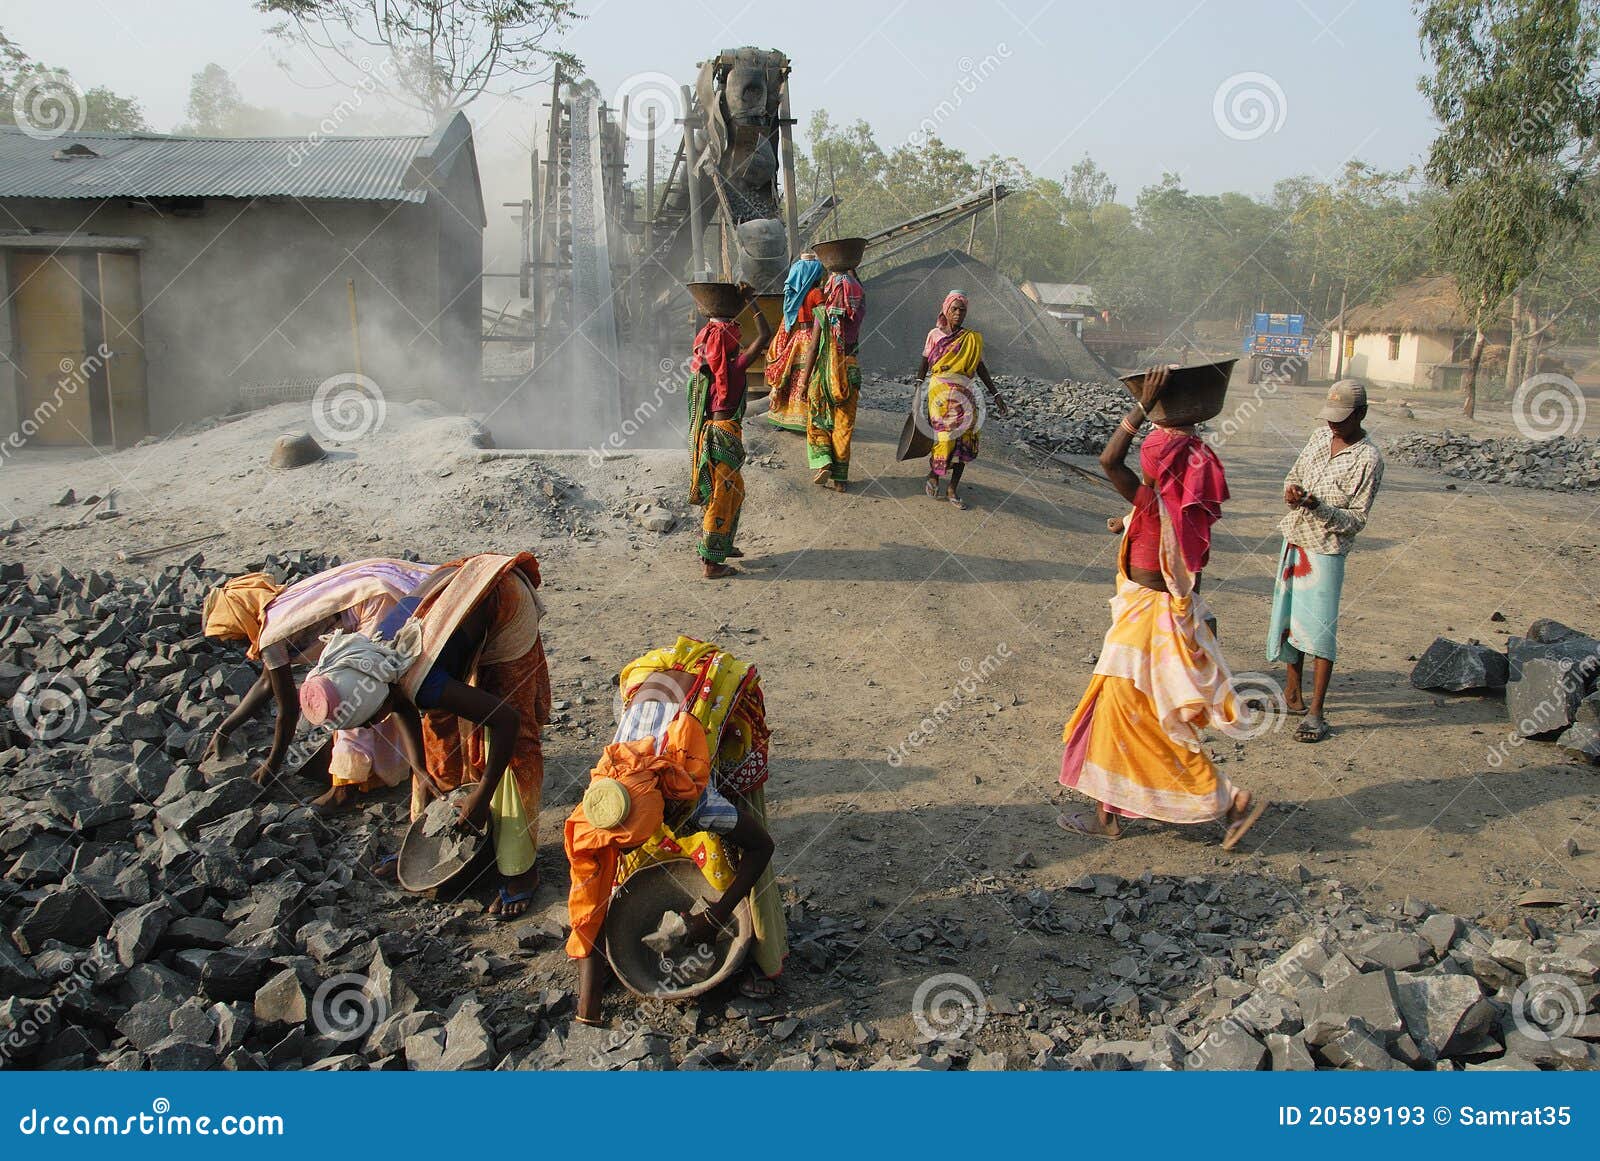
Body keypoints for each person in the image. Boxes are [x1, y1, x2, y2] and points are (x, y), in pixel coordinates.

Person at [1057, 366, 1266, 849]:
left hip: (1149, 620)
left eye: (1156, 462)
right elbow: (1139, 493)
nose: (1150, 467)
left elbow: (1110, 460)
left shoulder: (1161, 500)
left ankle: (1229, 801)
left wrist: (1140, 410)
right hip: (1150, 614)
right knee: (1134, 715)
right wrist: (1128, 521)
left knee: (1123, 714)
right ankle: (1117, 811)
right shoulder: (1166, 503)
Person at [298, 552, 551, 917]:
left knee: (512, 744)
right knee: (438, 739)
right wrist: (418, 766)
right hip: (451, 599)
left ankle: (521, 870)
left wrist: (483, 795)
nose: (371, 728)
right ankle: (433, 834)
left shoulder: (419, 679)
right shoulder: (372, 659)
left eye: (369, 720)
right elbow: (400, 703)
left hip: (502, 597)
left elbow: (507, 721)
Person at [567, 636, 783, 1024]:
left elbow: (762, 848)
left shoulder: (692, 796)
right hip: (654, 686)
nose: (630, 848)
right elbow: (588, 899)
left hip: (716, 693)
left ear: (668, 807)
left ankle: (760, 954)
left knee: (728, 837)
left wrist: (717, 915)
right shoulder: (598, 809)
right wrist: (589, 1010)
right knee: (615, 870)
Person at [201, 558, 438, 809]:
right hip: (374, 589)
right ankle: (380, 767)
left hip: (376, 604)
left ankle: (345, 789)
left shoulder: (271, 636)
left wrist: (272, 765)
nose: (236, 644)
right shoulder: (275, 608)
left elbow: (288, 710)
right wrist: (225, 728)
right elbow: (265, 683)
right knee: (369, 686)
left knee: (353, 696)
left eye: (233, 636)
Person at [1268, 379, 1384, 743]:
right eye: (1331, 417)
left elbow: (1357, 520)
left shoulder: (1369, 459)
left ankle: (1316, 711)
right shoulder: (1319, 437)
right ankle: (1292, 694)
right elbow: (1294, 475)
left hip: (1326, 549)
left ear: (1361, 414)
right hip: (1295, 539)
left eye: (1342, 418)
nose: (1334, 424)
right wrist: (1292, 493)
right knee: (1287, 620)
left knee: (1319, 631)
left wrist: (1320, 507)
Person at [689, 281, 774, 579]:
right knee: (724, 494)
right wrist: (751, 300)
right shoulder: (735, 367)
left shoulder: (702, 370)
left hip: (709, 433)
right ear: (729, 345)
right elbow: (765, 335)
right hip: (725, 430)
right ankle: (711, 563)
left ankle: (723, 543)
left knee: (732, 490)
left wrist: (713, 317)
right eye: (735, 339)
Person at [914, 291, 1008, 508]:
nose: (958, 313)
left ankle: (952, 488)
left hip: (965, 393)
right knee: (945, 437)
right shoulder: (935, 335)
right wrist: (918, 387)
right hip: (940, 392)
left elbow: (980, 367)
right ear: (946, 309)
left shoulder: (971, 339)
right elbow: (925, 362)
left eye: (962, 310)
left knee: (965, 441)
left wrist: (996, 395)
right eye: (954, 309)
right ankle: (934, 474)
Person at [803, 266, 866, 492]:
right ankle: (840, 479)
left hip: (824, 373)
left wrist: (803, 381)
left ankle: (824, 460)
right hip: (849, 371)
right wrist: (851, 270)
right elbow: (860, 291)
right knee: (843, 425)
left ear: (830, 289)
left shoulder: (822, 314)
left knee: (817, 417)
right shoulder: (857, 311)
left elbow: (812, 349)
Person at [762, 252, 826, 432]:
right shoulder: (815, 293)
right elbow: (824, 318)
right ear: (814, 275)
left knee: (792, 377)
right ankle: (808, 419)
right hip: (812, 337)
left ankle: (785, 417)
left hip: (799, 337)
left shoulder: (796, 297)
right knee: (811, 375)